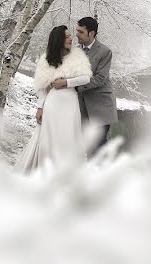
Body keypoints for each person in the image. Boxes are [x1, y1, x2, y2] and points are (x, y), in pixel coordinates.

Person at [15, 25, 93, 173]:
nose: (71, 38)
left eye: (71, 35)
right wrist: (40, 107)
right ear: (58, 40)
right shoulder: (46, 59)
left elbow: (86, 78)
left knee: (69, 139)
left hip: (70, 104)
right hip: (52, 105)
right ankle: (47, 174)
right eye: (67, 36)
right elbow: (42, 87)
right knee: (50, 140)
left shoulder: (77, 56)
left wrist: (66, 82)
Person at [75, 17, 117, 152]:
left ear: (91, 33)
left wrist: (74, 86)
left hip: (100, 105)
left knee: (99, 145)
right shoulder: (74, 51)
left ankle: (102, 171)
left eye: (80, 32)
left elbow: (101, 78)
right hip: (80, 105)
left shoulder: (105, 52)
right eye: (77, 31)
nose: (77, 35)